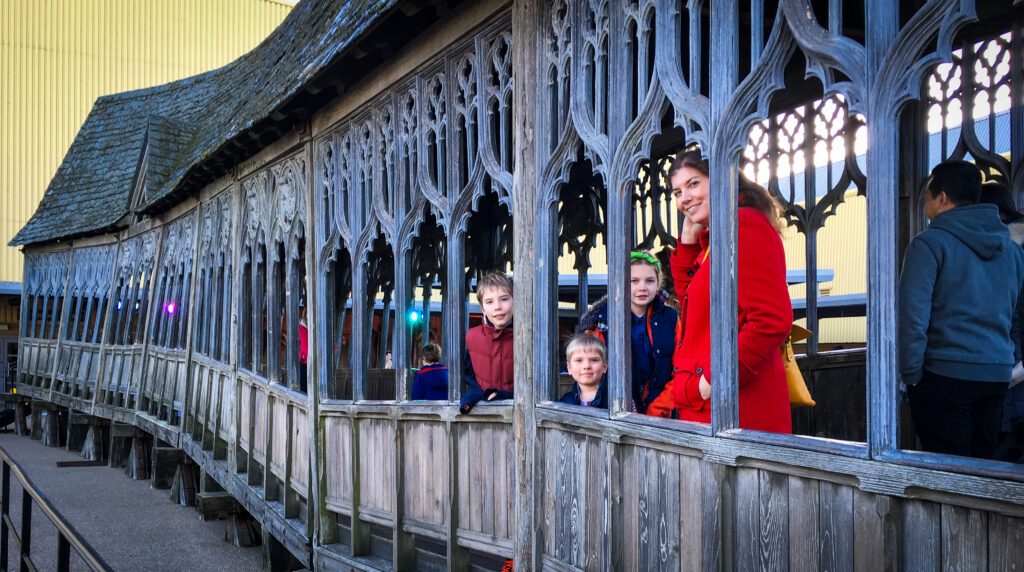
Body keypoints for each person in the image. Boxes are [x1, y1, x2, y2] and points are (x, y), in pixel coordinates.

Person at [647, 150, 793, 433]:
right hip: (714, 409)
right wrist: (688, 246)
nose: (684, 199)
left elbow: (772, 320)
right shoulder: (719, 237)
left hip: (737, 409)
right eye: (677, 192)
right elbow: (698, 307)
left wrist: (711, 382)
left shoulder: (744, 226)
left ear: (723, 178)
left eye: (693, 184)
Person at [899, 161, 1024, 459]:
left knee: (946, 472)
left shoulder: (928, 244)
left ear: (942, 198)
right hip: (996, 374)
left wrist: (911, 374)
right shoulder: (1011, 249)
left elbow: (912, 317)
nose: (925, 203)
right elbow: (1011, 310)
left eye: (927, 195)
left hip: (944, 373)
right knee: (982, 470)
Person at [577, 252, 676, 413]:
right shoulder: (601, 321)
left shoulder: (670, 319)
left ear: (658, 284)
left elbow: (679, 370)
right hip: (613, 409)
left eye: (649, 281)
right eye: (634, 281)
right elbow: (590, 371)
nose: (642, 287)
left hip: (660, 414)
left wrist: (657, 410)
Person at [460, 272, 514, 413]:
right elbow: (470, 376)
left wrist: (504, 395)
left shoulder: (527, 336)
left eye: (504, 299)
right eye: (489, 302)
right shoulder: (472, 337)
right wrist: (474, 395)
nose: (497, 307)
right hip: (482, 416)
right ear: (483, 308)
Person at [559, 334, 609, 408]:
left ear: (604, 367)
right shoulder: (566, 401)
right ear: (569, 368)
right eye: (579, 360)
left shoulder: (616, 400)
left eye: (594, 360)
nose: (586, 366)